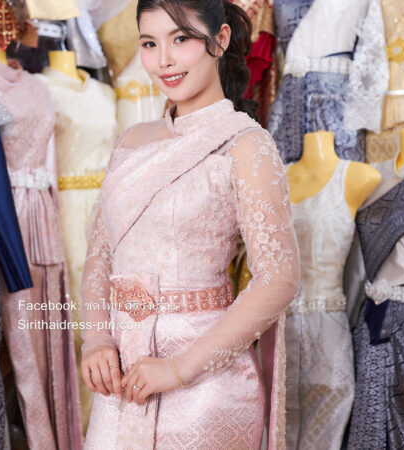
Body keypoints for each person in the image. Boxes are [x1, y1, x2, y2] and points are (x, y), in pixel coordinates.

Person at [80, 1, 299, 448]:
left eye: (180, 39)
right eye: (149, 44)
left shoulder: (245, 144)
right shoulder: (131, 141)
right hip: (123, 376)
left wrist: (178, 368)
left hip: (204, 382)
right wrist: (97, 339)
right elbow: (100, 255)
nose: (164, 60)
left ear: (220, 39)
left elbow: (279, 278)